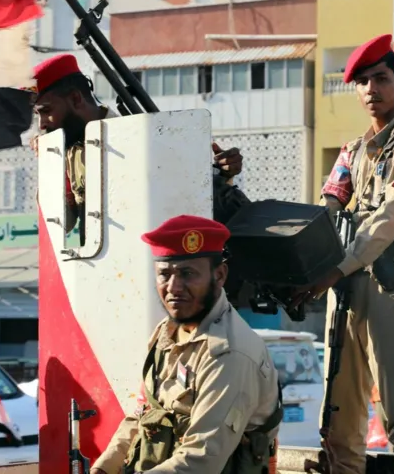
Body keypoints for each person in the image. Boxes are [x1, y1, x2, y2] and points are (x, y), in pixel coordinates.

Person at [302, 33, 394, 473]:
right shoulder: (352, 151)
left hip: (391, 289)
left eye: (380, 78)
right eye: (362, 82)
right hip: (344, 291)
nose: (370, 89)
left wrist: (336, 268)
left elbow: (393, 214)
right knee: (338, 425)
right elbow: (326, 211)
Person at [90, 214, 282, 474]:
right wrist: (102, 469)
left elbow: (201, 460)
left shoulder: (229, 353)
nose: (174, 287)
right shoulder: (166, 333)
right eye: (164, 274)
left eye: (187, 274)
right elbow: (141, 416)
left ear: (220, 275)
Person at [29, 54, 247, 238]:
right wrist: (51, 165)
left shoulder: (139, 140)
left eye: (46, 111)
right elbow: (62, 224)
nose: (41, 124)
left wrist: (223, 174)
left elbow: (188, 200)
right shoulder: (70, 152)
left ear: (76, 99)